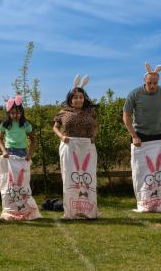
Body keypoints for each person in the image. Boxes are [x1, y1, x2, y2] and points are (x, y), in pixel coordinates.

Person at [122, 62, 161, 212]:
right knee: (140, 171)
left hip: (159, 137)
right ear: (144, 82)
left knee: (159, 171)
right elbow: (126, 116)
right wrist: (133, 135)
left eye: (155, 83)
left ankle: (158, 203)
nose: (152, 86)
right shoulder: (134, 94)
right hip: (139, 136)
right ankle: (143, 203)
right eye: (149, 83)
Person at [53, 75, 99, 219]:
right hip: (69, 146)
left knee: (88, 176)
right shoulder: (63, 112)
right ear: (70, 99)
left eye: (81, 97)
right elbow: (55, 127)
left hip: (87, 147)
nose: (78, 99)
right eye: (75, 97)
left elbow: (96, 126)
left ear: (84, 98)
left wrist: (94, 137)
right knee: (70, 177)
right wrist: (62, 137)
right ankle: (71, 210)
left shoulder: (90, 111)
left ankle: (88, 210)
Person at [0, 94, 36, 160]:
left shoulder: (25, 124)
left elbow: (33, 140)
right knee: (9, 171)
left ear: (21, 112)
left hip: (23, 152)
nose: (15, 115)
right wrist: (4, 151)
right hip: (8, 152)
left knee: (21, 170)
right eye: (12, 113)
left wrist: (29, 154)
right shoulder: (5, 124)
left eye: (18, 113)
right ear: (9, 113)